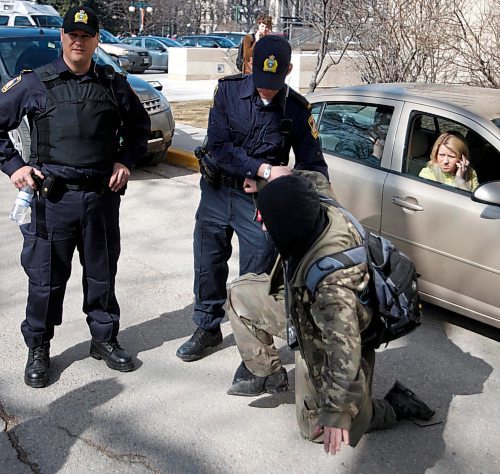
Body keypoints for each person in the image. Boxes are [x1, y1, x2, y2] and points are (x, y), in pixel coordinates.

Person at [226, 174, 435, 454]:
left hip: (333, 338)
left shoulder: (333, 286)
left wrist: (338, 411)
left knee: (317, 428)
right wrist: (266, 185)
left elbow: (343, 348)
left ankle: (390, 408)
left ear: (288, 224)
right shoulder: (316, 204)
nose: (260, 220)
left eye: (267, 216)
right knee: (240, 294)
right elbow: (307, 177)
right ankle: (268, 374)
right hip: (301, 309)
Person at [0, 6, 150, 388]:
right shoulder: (36, 83)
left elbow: (138, 127)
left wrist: (125, 161)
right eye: (73, 35)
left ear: (97, 39)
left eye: (86, 35)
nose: (79, 41)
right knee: (46, 280)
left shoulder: (113, 84)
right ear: (62, 38)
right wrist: (15, 165)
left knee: (102, 275)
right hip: (53, 200)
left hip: (101, 198)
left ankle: (103, 339)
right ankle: (39, 347)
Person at [176, 35, 329, 362]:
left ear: (288, 69)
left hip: (261, 203)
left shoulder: (298, 110)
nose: (266, 88)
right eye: (261, 79)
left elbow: (314, 166)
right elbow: (219, 147)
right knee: (207, 262)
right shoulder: (229, 93)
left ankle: (255, 350)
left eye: (275, 81)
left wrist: (281, 185)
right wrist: (263, 170)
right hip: (217, 191)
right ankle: (207, 326)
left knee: (257, 276)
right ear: (249, 66)